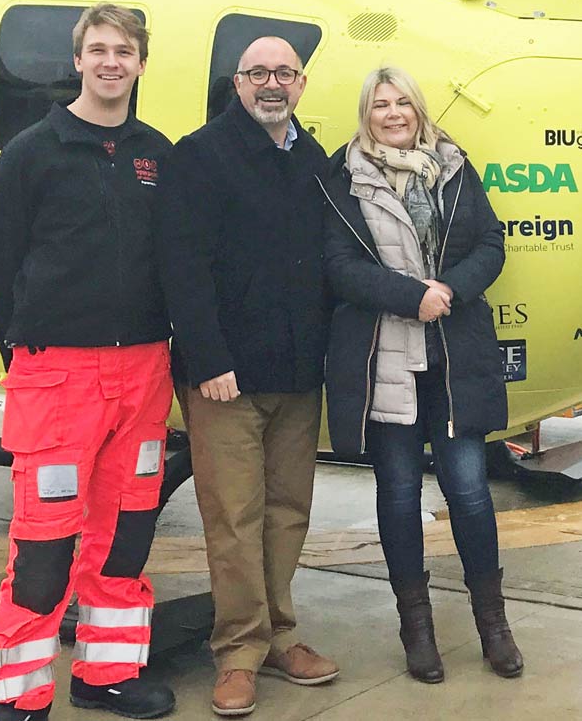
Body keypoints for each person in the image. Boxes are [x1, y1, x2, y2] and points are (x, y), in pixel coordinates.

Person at [0, 3, 176, 721]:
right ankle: (21, 696)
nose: (111, 61)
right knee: (44, 545)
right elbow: (0, 268)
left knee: (125, 533)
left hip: (145, 371)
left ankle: (107, 674)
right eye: (98, 49)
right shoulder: (32, 152)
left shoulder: (158, 153)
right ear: (78, 61)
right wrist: (30, 348)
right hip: (57, 376)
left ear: (141, 62)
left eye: (123, 49)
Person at [319, 67, 523, 683]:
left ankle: (494, 625)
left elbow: (490, 242)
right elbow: (339, 266)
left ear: (419, 107)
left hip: (453, 361)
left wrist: (450, 289)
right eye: (379, 104)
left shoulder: (455, 165)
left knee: (469, 493)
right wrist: (411, 297)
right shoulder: (343, 176)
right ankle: (417, 628)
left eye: (402, 101)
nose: (392, 112)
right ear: (366, 114)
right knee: (400, 496)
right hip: (385, 362)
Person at [157, 37, 335, 718]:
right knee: (234, 517)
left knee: (288, 512)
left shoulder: (314, 161)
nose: (271, 83)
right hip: (225, 379)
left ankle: (280, 635)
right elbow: (182, 267)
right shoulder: (199, 157)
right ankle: (237, 652)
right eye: (258, 72)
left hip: (296, 373)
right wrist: (208, 360)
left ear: (301, 82)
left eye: (283, 73)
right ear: (237, 83)